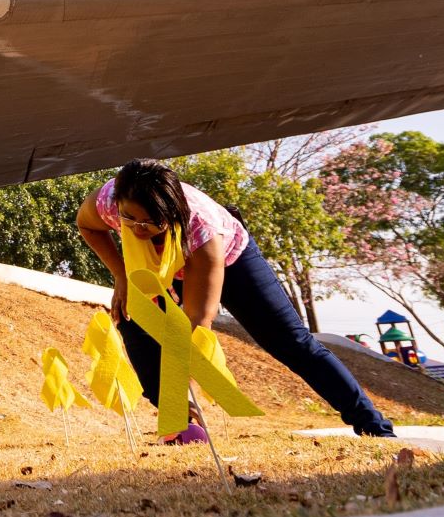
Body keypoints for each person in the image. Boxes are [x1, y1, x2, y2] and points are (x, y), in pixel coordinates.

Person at [77, 159, 395, 439]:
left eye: (149, 222)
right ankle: (179, 424)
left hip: (232, 262)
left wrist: (182, 380)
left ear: (170, 213)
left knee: (291, 342)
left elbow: (196, 324)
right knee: (133, 322)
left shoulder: (201, 228)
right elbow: (87, 225)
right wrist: (122, 275)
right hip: (159, 267)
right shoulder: (110, 200)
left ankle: (372, 425)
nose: (137, 229)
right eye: (129, 219)